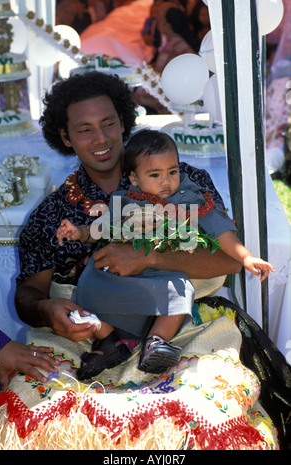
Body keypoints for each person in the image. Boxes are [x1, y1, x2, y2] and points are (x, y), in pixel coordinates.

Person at [14, 71, 241, 380]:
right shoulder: (51, 215)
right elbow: (29, 294)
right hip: (87, 341)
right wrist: (47, 310)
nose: (101, 138)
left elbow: (228, 260)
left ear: (123, 122)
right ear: (65, 137)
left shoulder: (180, 182)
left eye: (108, 124)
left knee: (207, 402)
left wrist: (151, 258)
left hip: (182, 328)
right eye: (84, 129)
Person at [56, 129, 274, 379]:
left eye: (172, 171)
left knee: (180, 290)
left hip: (162, 274)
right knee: (89, 285)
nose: (166, 181)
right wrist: (80, 232)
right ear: (134, 178)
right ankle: (108, 340)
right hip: (125, 276)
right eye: (155, 174)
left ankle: (156, 342)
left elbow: (219, 229)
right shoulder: (125, 200)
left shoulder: (189, 198)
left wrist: (246, 257)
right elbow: (103, 228)